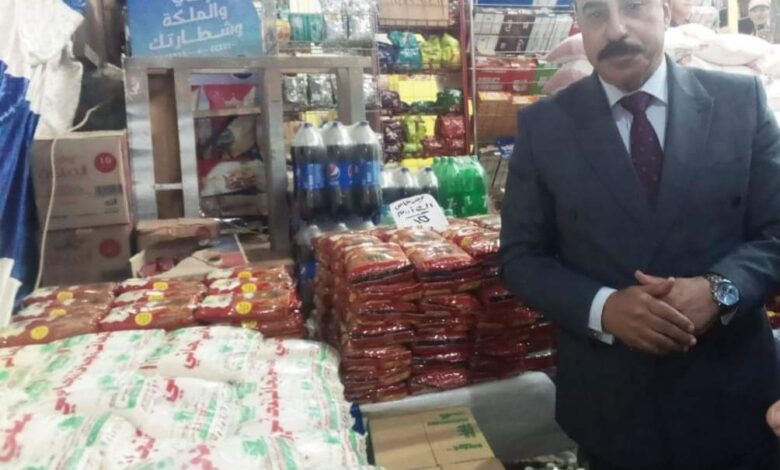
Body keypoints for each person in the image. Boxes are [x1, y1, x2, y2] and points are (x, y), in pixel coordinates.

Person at [498, 0, 780, 466]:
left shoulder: (739, 102)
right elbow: (521, 257)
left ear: (665, 12)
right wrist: (604, 308)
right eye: (596, 14)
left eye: (633, 6)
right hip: (612, 410)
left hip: (734, 397)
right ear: (578, 24)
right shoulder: (545, 126)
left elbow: (775, 232)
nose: (616, 29)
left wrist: (720, 290)